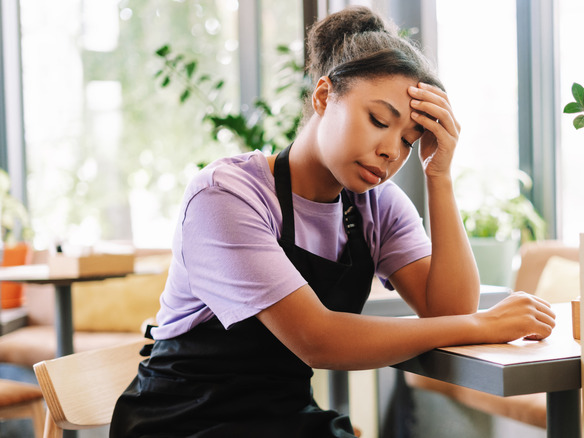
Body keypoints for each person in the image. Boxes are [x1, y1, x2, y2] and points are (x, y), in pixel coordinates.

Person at [110, 6, 555, 438]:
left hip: (282, 417)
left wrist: (439, 177)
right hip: (181, 420)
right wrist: (484, 324)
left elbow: (448, 313)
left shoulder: (376, 206)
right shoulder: (227, 195)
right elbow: (316, 338)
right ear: (324, 96)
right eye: (379, 120)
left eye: (408, 140)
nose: (391, 152)